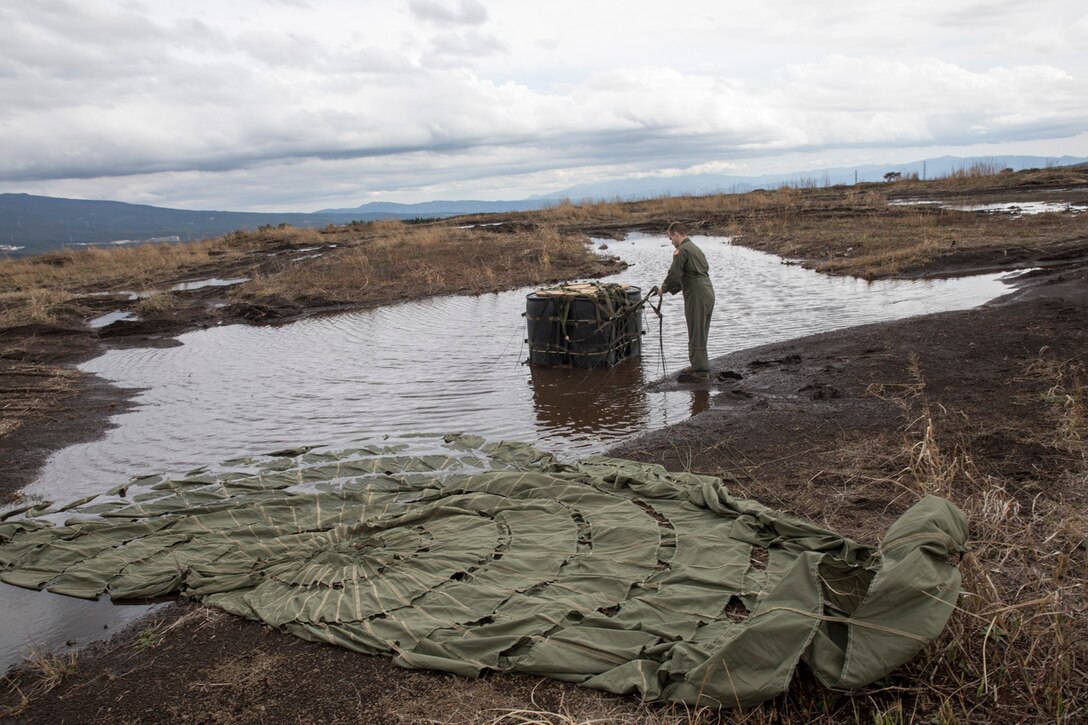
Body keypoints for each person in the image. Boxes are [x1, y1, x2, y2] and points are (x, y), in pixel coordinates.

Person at [658, 222, 715, 382]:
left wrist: (663, 288)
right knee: (701, 330)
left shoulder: (682, 250)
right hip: (708, 291)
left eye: (671, 238)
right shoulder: (696, 248)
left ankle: (701, 372)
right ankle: (697, 364)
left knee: (696, 331)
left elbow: (675, 273)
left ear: (677, 234)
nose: (671, 242)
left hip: (696, 293)